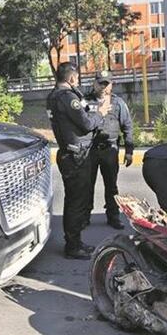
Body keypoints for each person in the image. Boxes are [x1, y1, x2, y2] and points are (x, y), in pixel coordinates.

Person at [47, 62, 109, 259]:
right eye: (77, 78)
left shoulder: (54, 96)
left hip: (70, 153)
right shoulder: (67, 98)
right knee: (76, 201)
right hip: (77, 156)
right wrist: (101, 113)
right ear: (72, 78)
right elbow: (87, 123)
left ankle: (76, 241)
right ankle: (73, 246)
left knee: (74, 199)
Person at [86, 70, 134, 229]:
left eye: (106, 84)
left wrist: (129, 150)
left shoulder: (118, 103)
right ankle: (85, 216)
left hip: (110, 150)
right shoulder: (86, 102)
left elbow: (127, 126)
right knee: (87, 185)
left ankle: (113, 216)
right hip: (90, 150)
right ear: (94, 83)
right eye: (100, 83)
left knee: (111, 186)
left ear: (111, 85)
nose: (103, 87)